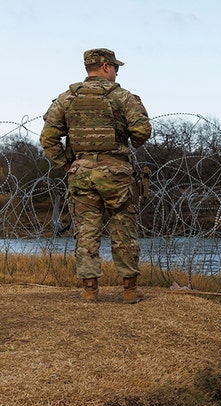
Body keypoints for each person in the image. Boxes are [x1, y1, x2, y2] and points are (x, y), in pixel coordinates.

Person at [40, 48, 151, 303]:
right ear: (105, 67)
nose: (115, 73)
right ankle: (130, 290)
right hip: (117, 175)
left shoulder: (67, 98)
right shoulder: (123, 97)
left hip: (81, 175)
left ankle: (90, 289)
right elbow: (141, 133)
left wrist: (68, 165)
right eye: (115, 68)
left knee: (86, 231)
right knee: (123, 229)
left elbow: (48, 138)